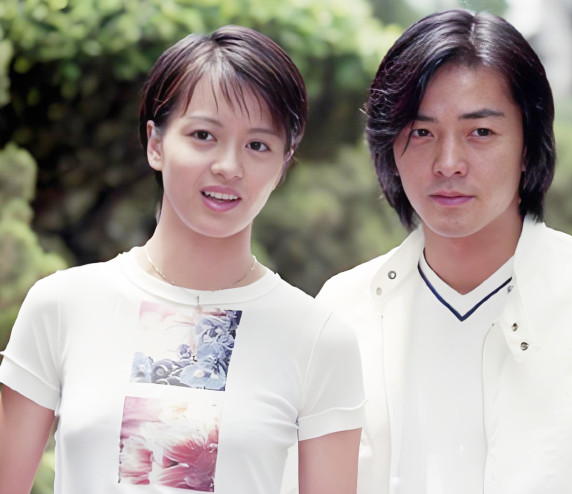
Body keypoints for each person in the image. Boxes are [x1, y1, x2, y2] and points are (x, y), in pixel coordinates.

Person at [316, 9, 572, 494]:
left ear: (528, 146)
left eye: (481, 132)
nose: (448, 163)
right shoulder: (342, 312)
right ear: (389, 148)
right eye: (421, 132)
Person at [0, 25, 364, 494]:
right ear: (156, 143)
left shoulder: (318, 340)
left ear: (283, 163)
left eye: (257, 145)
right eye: (203, 135)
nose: (228, 167)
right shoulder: (62, 304)